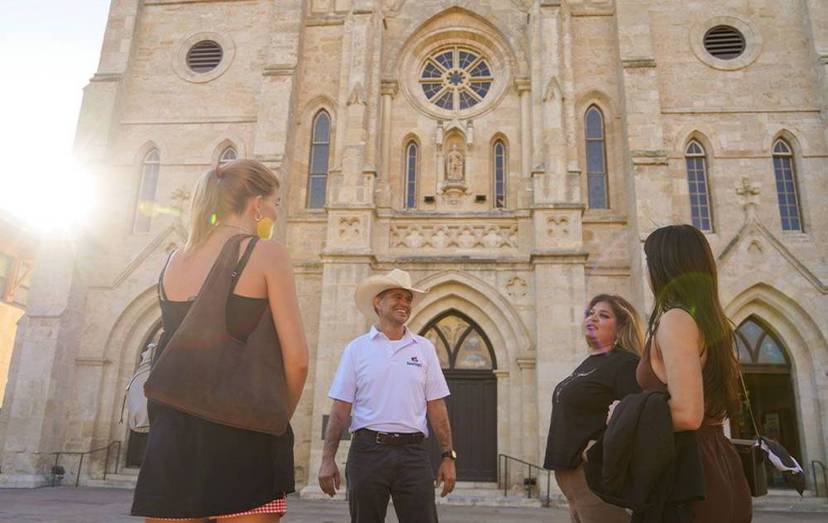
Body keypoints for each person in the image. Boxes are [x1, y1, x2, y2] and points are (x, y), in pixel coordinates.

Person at [131, 159, 309, 522]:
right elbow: (298, 360)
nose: (276, 212)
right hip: (244, 434)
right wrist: (275, 417)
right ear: (256, 204)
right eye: (275, 202)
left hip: (173, 436)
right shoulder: (267, 253)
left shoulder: (172, 261)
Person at [318, 269, 456, 523]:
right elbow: (340, 408)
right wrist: (328, 459)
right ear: (378, 303)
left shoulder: (425, 349)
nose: (404, 303)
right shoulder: (357, 349)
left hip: (413, 454)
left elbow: (437, 405)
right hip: (368, 452)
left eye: (408, 299)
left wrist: (448, 457)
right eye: (397, 297)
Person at [637, 224, 751, 522]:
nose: (646, 270)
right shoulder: (709, 322)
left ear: (664, 266)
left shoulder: (676, 320)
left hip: (687, 473)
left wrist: (623, 415)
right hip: (717, 463)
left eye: (649, 261)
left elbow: (688, 415)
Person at [544, 294, 644, 523]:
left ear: (620, 328)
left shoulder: (626, 364)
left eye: (604, 315)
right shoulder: (589, 363)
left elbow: (637, 417)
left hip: (594, 477)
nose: (593, 318)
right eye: (590, 313)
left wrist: (597, 447)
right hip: (570, 481)